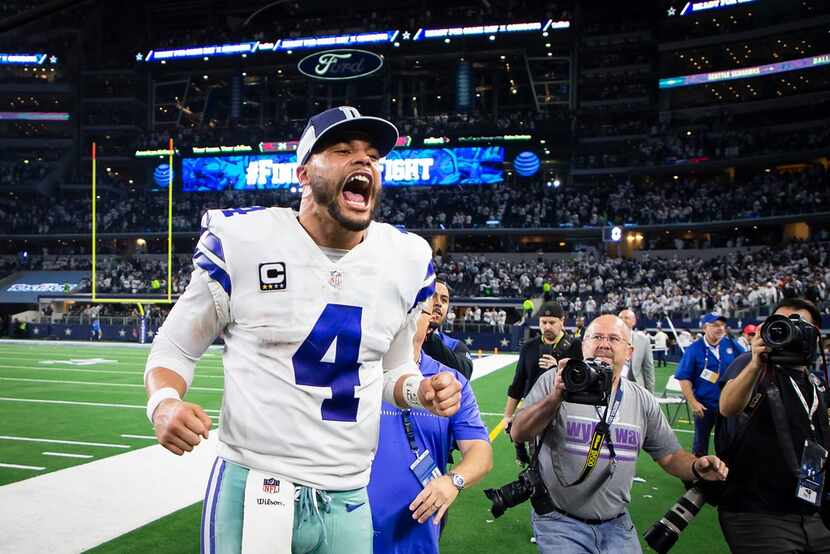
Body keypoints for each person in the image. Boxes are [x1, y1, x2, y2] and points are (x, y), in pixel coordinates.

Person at [143, 107, 463, 554]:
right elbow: (174, 348)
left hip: (348, 493)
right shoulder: (244, 241)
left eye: (372, 155)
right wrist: (164, 403)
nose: (363, 162)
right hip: (254, 482)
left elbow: (392, 370)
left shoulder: (405, 257)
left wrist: (419, 391)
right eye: (342, 150)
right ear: (304, 172)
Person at [510, 314, 729, 553]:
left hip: (617, 524)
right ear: (583, 345)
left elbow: (670, 456)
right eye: (597, 337)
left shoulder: (642, 399)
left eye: (614, 338)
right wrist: (555, 398)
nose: (604, 344)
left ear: (629, 351)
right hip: (559, 520)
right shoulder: (554, 382)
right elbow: (519, 432)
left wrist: (697, 467)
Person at [368, 295, 492, 554]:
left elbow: (480, 453)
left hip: (416, 531)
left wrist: (453, 481)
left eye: (415, 311)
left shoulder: (450, 382)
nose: (404, 319)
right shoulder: (360, 371)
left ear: (429, 320)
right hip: (347, 522)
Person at [717, 298, 830, 553]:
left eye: (796, 324)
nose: (786, 329)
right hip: (758, 512)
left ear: (814, 336)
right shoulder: (752, 365)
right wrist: (757, 363)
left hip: (811, 510)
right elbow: (728, 407)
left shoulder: (817, 382)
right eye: (779, 323)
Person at [675, 313, 746, 456]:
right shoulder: (694, 349)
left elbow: (747, 361)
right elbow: (684, 378)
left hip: (730, 404)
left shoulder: (731, 344)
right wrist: (693, 402)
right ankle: (699, 475)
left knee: (730, 442)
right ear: (705, 328)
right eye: (715, 325)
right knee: (701, 444)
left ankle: (727, 474)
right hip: (705, 405)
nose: (720, 328)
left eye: (722, 325)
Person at [503, 302, 583, 428]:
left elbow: (581, 383)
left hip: (564, 414)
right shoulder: (528, 347)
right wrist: (507, 416)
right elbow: (518, 383)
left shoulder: (576, 346)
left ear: (562, 321)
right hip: (532, 413)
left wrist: (557, 370)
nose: (547, 327)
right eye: (543, 322)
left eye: (552, 323)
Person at [423, 279, 474, 379]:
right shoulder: (402, 336)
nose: (439, 303)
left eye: (444, 300)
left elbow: (465, 374)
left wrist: (429, 336)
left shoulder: (456, 346)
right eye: (432, 296)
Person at [619, 309, 655, 394]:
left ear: (634, 322)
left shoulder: (643, 340)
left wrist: (650, 394)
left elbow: (648, 368)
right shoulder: (608, 339)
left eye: (626, 318)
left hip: (636, 389)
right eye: (620, 318)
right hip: (613, 387)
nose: (622, 320)